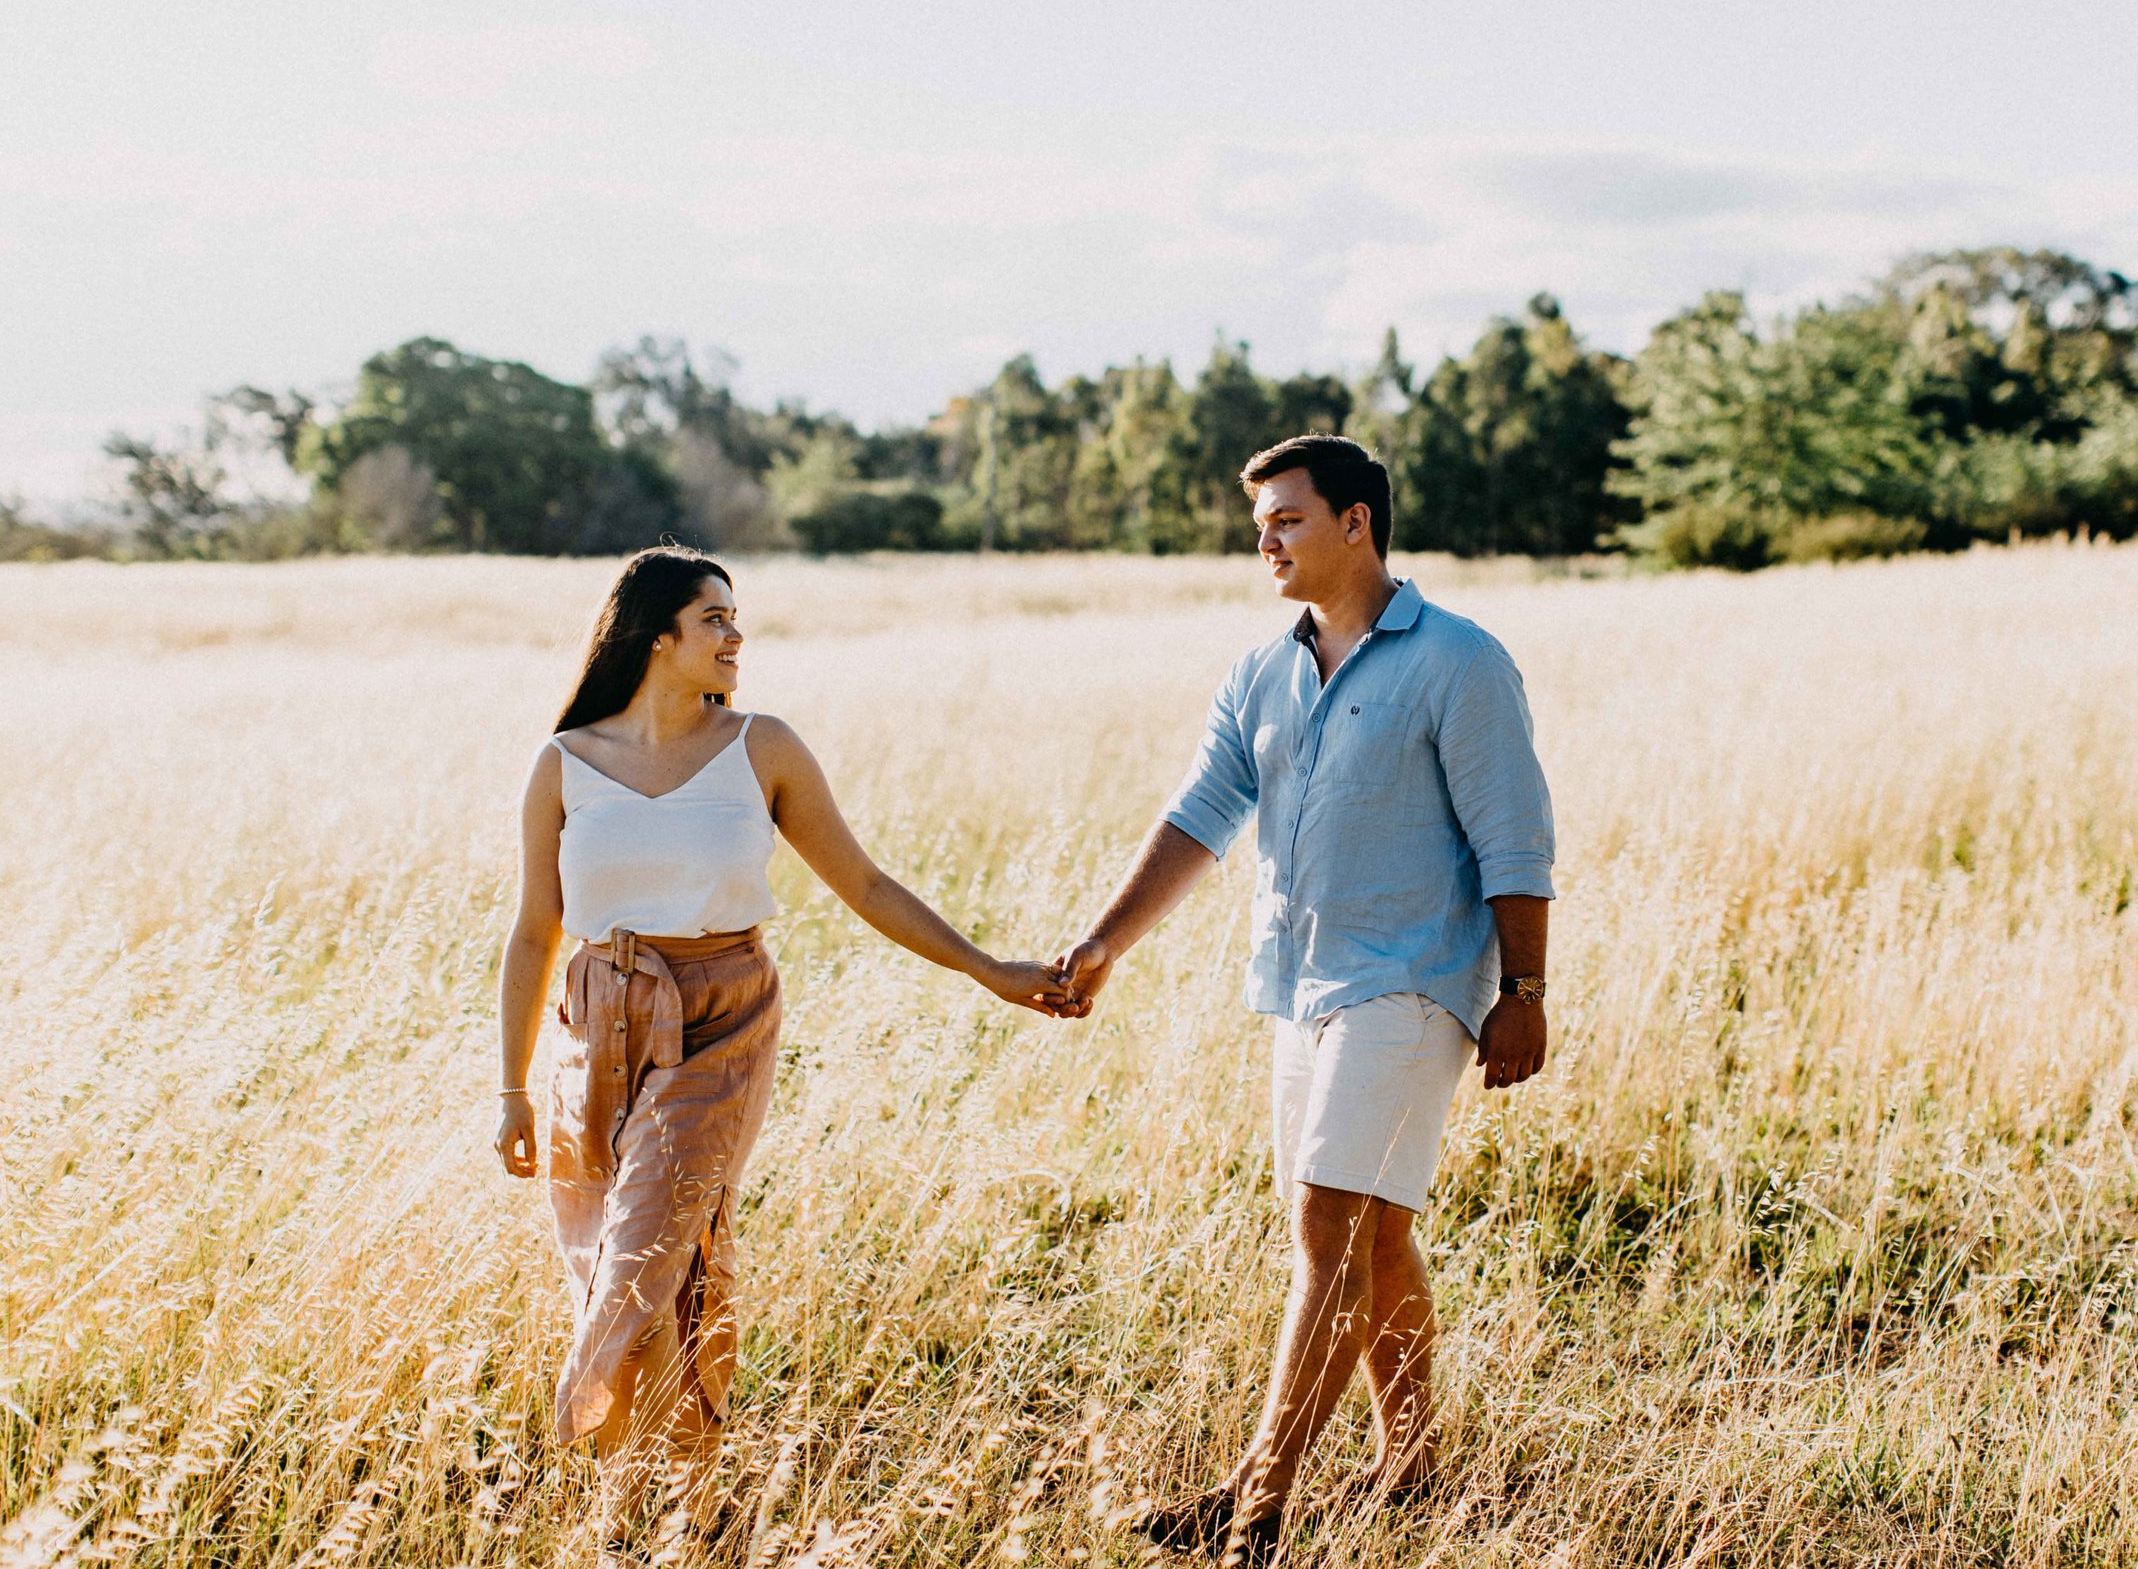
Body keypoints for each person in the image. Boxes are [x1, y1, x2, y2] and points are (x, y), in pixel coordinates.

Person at [489, 547, 1065, 1559]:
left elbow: (870, 886)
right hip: (597, 1019)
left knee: (643, 1247)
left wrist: (986, 967)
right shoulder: (564, 759)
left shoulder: (763, 747)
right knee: (654, 1255)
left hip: (721, 1016)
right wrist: (512, 1089)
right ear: (657, 632)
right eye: (715, 617)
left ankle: (605, 1476)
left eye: (735, 617)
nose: (735, 636)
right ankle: (689, 1497)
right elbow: (535, 930)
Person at [1053, 435, 1555, 1566]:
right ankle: (1414, 1460)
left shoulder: (1459, 661)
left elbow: (1515, 839)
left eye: (1285, 518)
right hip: (1301, 986)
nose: (1265, 541)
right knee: (1373, 1234)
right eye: (1259, 524)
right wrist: (1105, 941)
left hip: (1415, 980)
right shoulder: (1262, 671)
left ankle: (1254, 1505)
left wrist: (1522, 989)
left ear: (1356, 523)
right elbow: (1198, 815)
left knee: (1327, 1227)